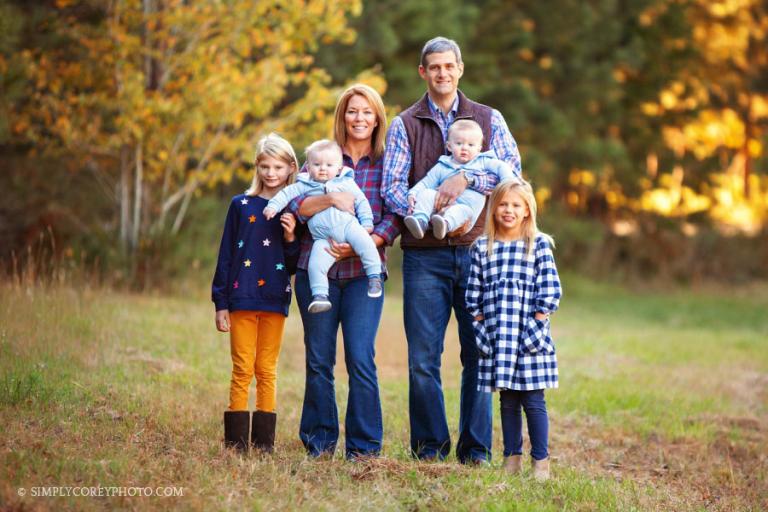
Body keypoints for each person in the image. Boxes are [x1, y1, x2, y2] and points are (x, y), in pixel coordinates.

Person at [382, 36, 522, 464]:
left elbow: (512, 176)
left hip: (480, 251)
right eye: (434, 67)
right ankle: (429, 449)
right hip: (425, 257)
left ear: (460, 68)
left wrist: (465, 181)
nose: (442, 73)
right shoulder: (405, 124)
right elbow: (391, 187)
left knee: (477, 354)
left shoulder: (489, 118)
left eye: (449, 66)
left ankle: (475, 450)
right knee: (424, 358)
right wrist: (421, 206)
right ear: (422, 72)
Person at [288, 84, 400, 459]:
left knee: (360, 356)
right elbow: (298, 204)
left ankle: (364, 448)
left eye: (367, 112)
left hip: (362, 273)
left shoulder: (387, 161)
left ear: (377, 118)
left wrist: (365, 242)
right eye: (352, 111)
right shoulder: (322, 156)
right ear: (342, 116)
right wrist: (331, 198)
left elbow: (393, 217)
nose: (359, 118)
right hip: (314, 271)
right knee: (319, 359)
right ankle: (319, 443)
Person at [465, 179, 562, 480]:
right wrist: (481, 329)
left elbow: (549, 289)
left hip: (528, 335)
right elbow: (474, 294)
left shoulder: (538, 244)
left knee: (533, 400)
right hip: (496, 337)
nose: (509, 210)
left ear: (527, 211)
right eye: (503, 205)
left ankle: (541, 462)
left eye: (516, 205)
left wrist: (537, 323)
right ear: (493, 210)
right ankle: (511, 458)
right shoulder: (483, 247)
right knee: (507, 400)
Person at [211, 133, 300, 453]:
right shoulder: (241, 205)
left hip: (275, 299)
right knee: (242, 367)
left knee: (266, 368)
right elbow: (225, 256)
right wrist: (220, 302)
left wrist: (290, 237)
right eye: (264, 166)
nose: (271, 173)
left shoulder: (294, 209)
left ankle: (264, 444)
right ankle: (236, 444)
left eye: (278, 166)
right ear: (257, 167)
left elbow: (292, 264)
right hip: (241, 297)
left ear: (291, 168)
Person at [264, 139, 383, 313]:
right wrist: (273, 206)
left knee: (367, 245)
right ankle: (320, 296)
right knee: (315, 265)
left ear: (339, 168)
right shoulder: (304, 185)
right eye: (317, 164)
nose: (322, 168)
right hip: (322, 239)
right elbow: (285, 194)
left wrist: (366, 223)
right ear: (309, 167)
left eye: (329, 165)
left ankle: (374, 276)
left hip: (350, 227)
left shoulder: (346, 183)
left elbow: (361, 201)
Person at [404, 119, 516, 240]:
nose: (464, 148)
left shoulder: (482, 161)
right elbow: (426, 183)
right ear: (449, 146)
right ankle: (420, 221)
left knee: (459, 211)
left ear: (479, 149)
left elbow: (502, 166)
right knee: (426, 194)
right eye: (459, 143)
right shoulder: (442, 165)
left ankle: (444, 224)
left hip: (466, 211)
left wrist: (507, 182)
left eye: (470, 145)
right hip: (440, 205)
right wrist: (413, 194)